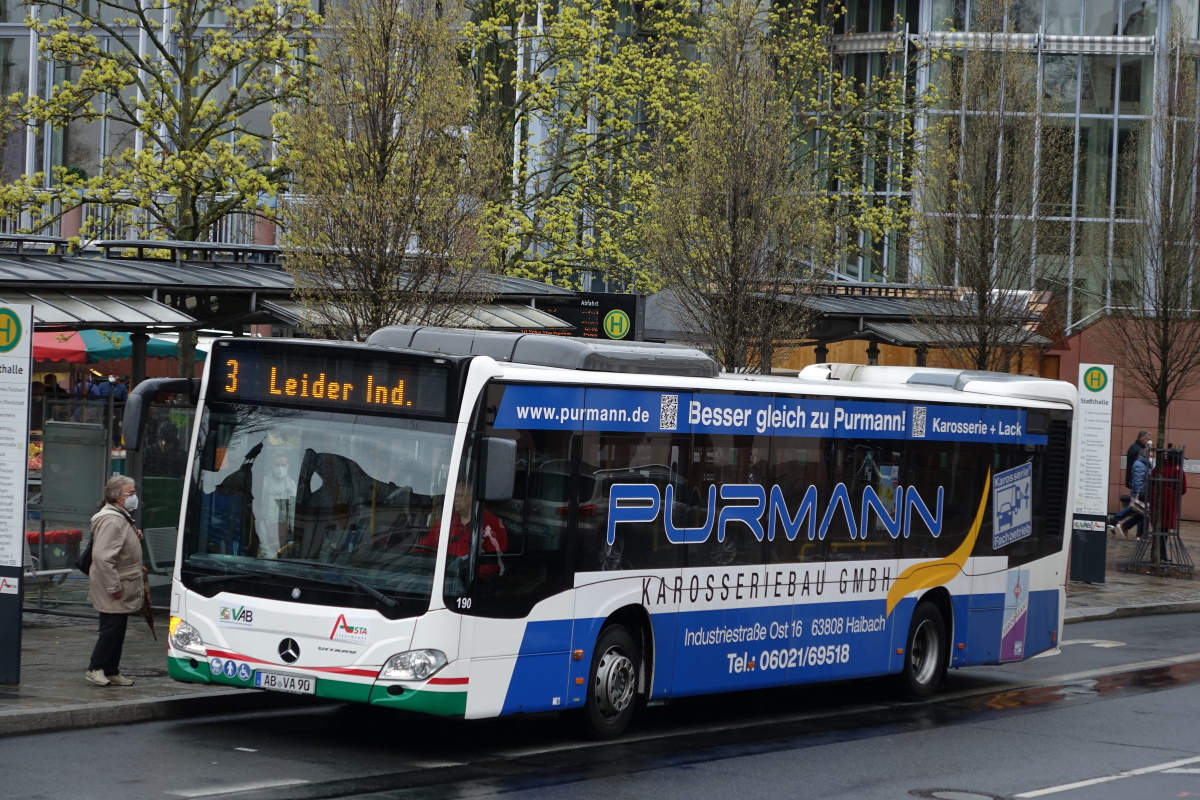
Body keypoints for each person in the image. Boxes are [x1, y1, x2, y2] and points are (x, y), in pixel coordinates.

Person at [85, 475, 145, 687]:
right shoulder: (112, 519)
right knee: (111, 627)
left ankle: (111, 669)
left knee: (118, 627)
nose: (134, 496)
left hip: (122, 582)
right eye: (131, 493)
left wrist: (133, 537)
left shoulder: (121, 517)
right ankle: (96, 668)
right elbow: (102, 556)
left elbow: (117, 546)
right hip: (113, 583)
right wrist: (113, 586)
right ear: (118, 497)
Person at [415, 483, 507, 579]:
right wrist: (414, 558)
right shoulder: (447, 520)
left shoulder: (492, 523)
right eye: (454, 495)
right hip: (442, 574)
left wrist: (469, 574)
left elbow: (495, 561)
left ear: (472, 498)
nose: (455, 499)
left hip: (470, 580)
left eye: (459, 495)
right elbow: (425, 545)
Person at [259, 453, 296, 551]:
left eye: (283, 465)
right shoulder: (264, 483)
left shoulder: (291, 484)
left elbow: (292, 512)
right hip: (266, 529)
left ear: (287, 466)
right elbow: (258, 508)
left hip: (283, 531)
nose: (280, 468)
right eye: (277, 465)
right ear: (272, 465)